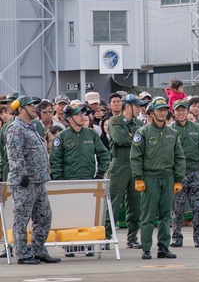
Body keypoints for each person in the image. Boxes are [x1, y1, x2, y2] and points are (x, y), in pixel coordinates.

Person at [50, 102, 111, 257]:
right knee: (69, 216)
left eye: (83, 113)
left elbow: (104, 155)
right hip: (69, 182)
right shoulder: (62, 137)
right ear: (70, 118)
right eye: (78, 114)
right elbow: (55, 161)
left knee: (88, 215)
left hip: (89, 181)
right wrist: (60, 181)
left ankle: (89, 244)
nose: (83, 116)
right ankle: (70, 246)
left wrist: (99, 174)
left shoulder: (91, 134)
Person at [6, 96, 60, 265]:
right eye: (30, 106)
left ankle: (38, 250)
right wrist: (22, 175)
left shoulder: (31, 127)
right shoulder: (16, 128)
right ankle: (22, 253)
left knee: (44, 216)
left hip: (38, 180)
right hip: (25, 181)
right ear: (21, 109)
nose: (34, 108)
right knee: (21, 218)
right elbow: (15, 154)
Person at [130, 96, 185, 260]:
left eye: (164, 109)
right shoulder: (143, 132)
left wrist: (178, 179)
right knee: (147, 216)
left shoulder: (172, 134)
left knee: (165, 215)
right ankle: (146, 248)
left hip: (167, 177)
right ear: (152, 112)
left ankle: (163, 247)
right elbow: (135, 157)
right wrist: (138, 177)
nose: (162, 113)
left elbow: (179, 157)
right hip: (150, 178)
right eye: (159, 110)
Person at [105, 93, 146, 248]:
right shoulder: (115, 121)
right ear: (128, 106)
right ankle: (107, 236)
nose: (139, 109)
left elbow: (143, 141)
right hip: (119, 165)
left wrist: (133, 138)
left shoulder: (138, 123)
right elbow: (120, 139)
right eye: (136, 106)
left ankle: (133, 237)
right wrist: (135, 139)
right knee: (114, 202)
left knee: (135, 204)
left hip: (135, 166)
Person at [170, 100, 199, 248]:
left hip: (195, 172)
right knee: (177, 208)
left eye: (183, 110)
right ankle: (176, 237)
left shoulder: (197, 128)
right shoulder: (170, 130)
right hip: (178, 175)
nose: (181, 113)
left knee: (198, 208)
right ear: (174, 112)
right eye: (178, 110)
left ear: (187, 112)